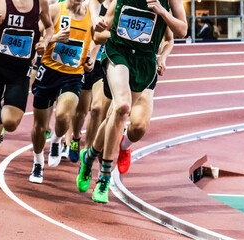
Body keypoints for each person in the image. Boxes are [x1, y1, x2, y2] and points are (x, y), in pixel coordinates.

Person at [77, 0, 187, 203]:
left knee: (120, 118)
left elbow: (182, 30)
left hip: (144, 61)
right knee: (123, 106)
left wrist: (163, 12)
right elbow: (98, 32)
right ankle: (105, 177)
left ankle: (89, 156)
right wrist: (97, 23)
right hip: (119, 53)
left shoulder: (169, 1)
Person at [0, 0, 54, 186]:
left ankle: (1, 111)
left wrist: (44, 42)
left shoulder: (41, 3)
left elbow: (49, 27)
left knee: (11, 122)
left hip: (20, 72)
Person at [29, 0, 94, 184]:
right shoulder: (56, 9)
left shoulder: (91, 15)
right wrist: (54, 37)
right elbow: (36, 33)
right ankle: (38, 162)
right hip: (48, 72)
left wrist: (93, 59)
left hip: (73, 75)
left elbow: (100, 38)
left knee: (64, 117)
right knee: (40, 126)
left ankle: (56, 141)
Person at [61, 1, 110, 162]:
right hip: (83, 61)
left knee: (97, 108)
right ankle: (75, 138)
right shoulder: (89, 5)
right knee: (80, 111)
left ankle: (87, 153)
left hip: (101, 64)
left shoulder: (118, 7)